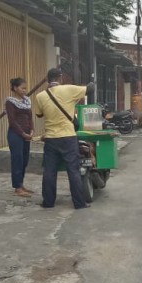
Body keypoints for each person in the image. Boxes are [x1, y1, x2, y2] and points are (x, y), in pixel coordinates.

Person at [34, 67, 95, 210]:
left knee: (49, 171)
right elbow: (89, 89)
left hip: (50, 138)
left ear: (48, 80)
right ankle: (79, 204)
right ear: (60, 78)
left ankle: (48, 202)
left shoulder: (40, 96)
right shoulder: (69, 89)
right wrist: (92, 80)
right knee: (73, 170)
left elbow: (39, 115)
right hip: (68, 137)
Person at [6, 77, 34, 197]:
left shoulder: (26, 101)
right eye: (22, 88)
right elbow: (12, 121)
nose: (24, 90)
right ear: (15, 88)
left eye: (25, 88)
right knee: (17, 160)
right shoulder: (10, 102)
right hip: (15, 135)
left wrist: (32, 130)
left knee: (25, 160)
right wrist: (23, 133)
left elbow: (30, 117)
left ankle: (21, 184)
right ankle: (17, 187)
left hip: (26, 134)